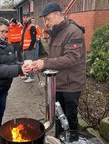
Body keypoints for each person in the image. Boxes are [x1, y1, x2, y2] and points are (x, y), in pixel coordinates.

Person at [32, 2, 86, 139]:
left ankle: (72, 141)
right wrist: (43, 68)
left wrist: (44, 63)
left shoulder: (74, 32)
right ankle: (58, 139)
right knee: (58, 119)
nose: (46, 23)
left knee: (70, 120)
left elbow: (71, 58)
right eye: (44, 19)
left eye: (48, 19)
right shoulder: (55, 33)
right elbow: (55, 58)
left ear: (58, 14)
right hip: (57, 84)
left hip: (70, 86)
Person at [21, 12, 37, 83]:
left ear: (29, 17)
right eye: (24, 17)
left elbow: (34, 39)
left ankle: (32, 77)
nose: (25, 18)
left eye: (26, 17)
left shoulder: (31, 26)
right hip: (25, 48)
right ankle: (27, 75)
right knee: (25, 63)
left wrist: (30, 47)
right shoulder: (25, 26)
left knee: (30, 63)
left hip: (29, 49)